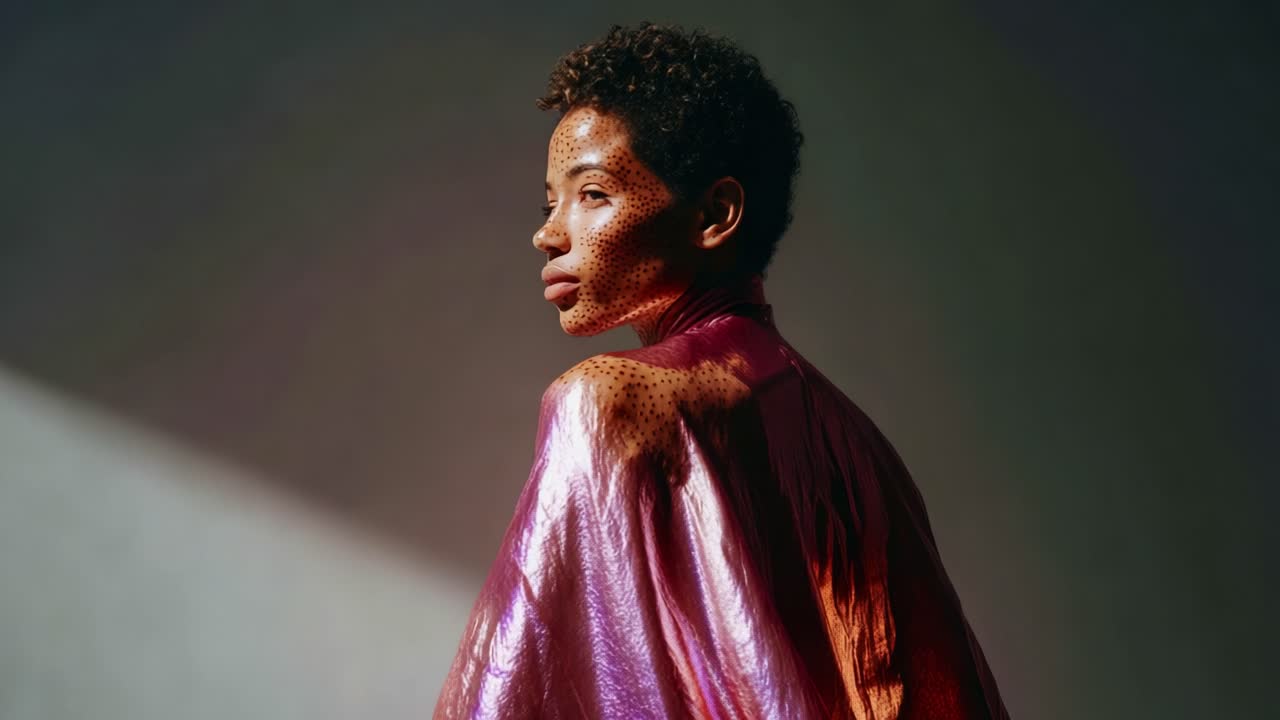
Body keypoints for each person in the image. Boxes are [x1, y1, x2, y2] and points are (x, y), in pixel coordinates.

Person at [434, 22, 1009, 720]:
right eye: (549, 202)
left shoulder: (607, 400)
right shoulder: (860, 445)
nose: (549, 232)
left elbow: (510, 697)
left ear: (714, 214)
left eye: (591, 195)